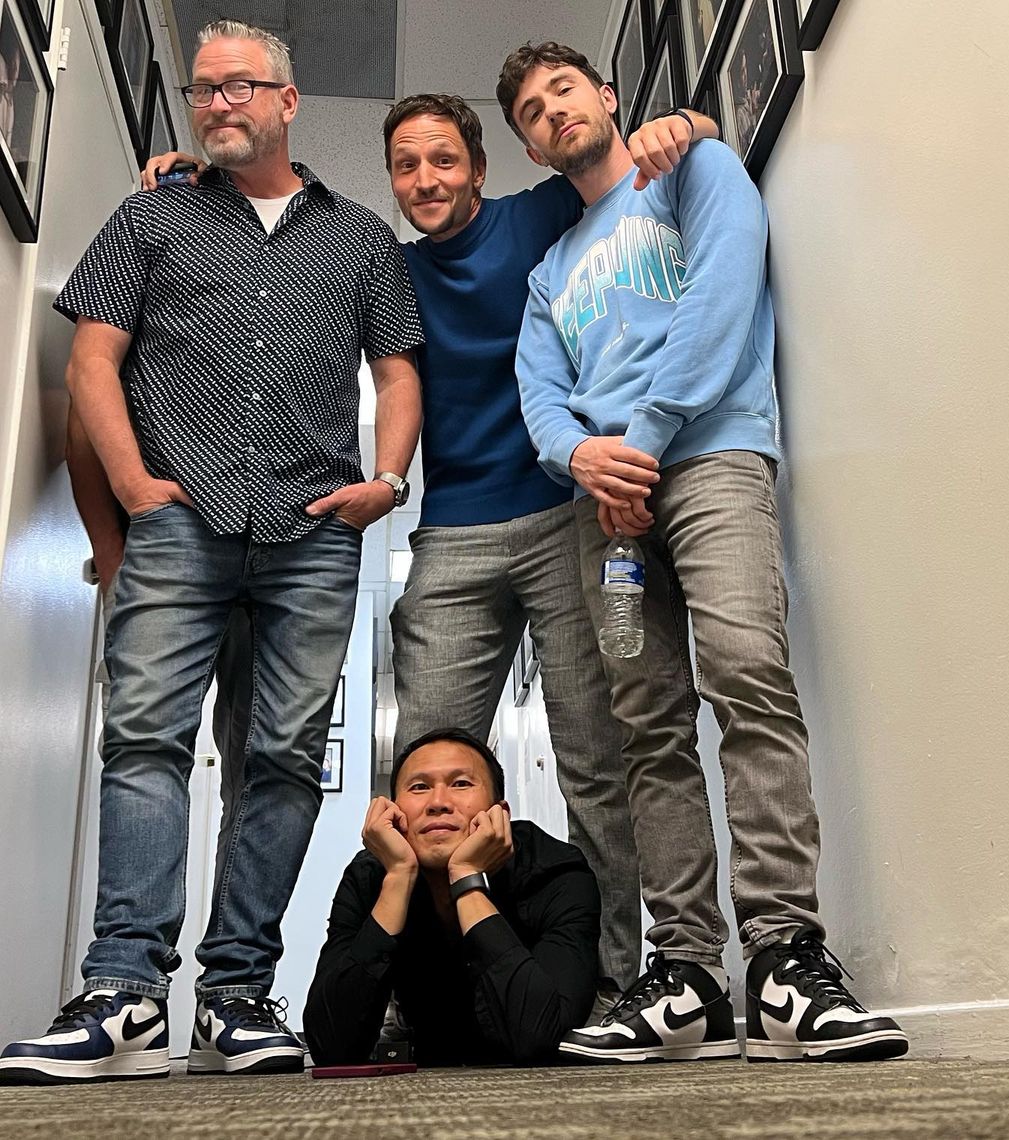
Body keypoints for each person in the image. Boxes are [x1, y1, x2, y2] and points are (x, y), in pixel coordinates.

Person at [144, 90, 717, 1004]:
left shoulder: (539, 216)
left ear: (480, 169)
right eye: (406, 166)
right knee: (420, 778)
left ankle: (608, 988)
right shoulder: (388, 265)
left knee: (595, 762)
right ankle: (416, 1001)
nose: (426, 179)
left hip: (573, 522)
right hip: (450, 537)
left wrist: (690, 123)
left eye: (444, 160)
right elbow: (281, 231)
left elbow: (642, 163)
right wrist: (200, 173)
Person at [0, 20, 423, 1085]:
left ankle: (236, 998)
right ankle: (125, 995)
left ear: (288, 100)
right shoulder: (151, 215)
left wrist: (387, 480)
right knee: (144, 741)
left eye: (239, 86)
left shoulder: (362, 238)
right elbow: (92, 362)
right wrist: (135, 491)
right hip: (180, 522)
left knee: (281, 762)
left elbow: (398, 371)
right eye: (202, 89)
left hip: (313, 533)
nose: (217, 103)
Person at [501, 41, 909, 1064]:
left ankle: (784, 957)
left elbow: (724, 297)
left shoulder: (694, 169)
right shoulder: (549, 272)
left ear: (606, 96)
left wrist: (640, 439)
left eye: (563, 91)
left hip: (713, 462)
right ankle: (685, 971)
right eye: (530, 112)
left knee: (747, 677)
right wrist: (580, 458)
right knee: (646, 727)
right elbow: (539, 391)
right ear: (530, 148)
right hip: (606, 516)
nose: (552, 112)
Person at [304, 728, 601, 1067]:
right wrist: (399, 876)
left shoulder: (554, 871)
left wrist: (467, 876)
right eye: (419, 787)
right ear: (395, 814)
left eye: (461, 784)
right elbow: (330, 1047)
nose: (438, 803)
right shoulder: (371, 876)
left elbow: (540, 1037)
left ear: (500, 813)